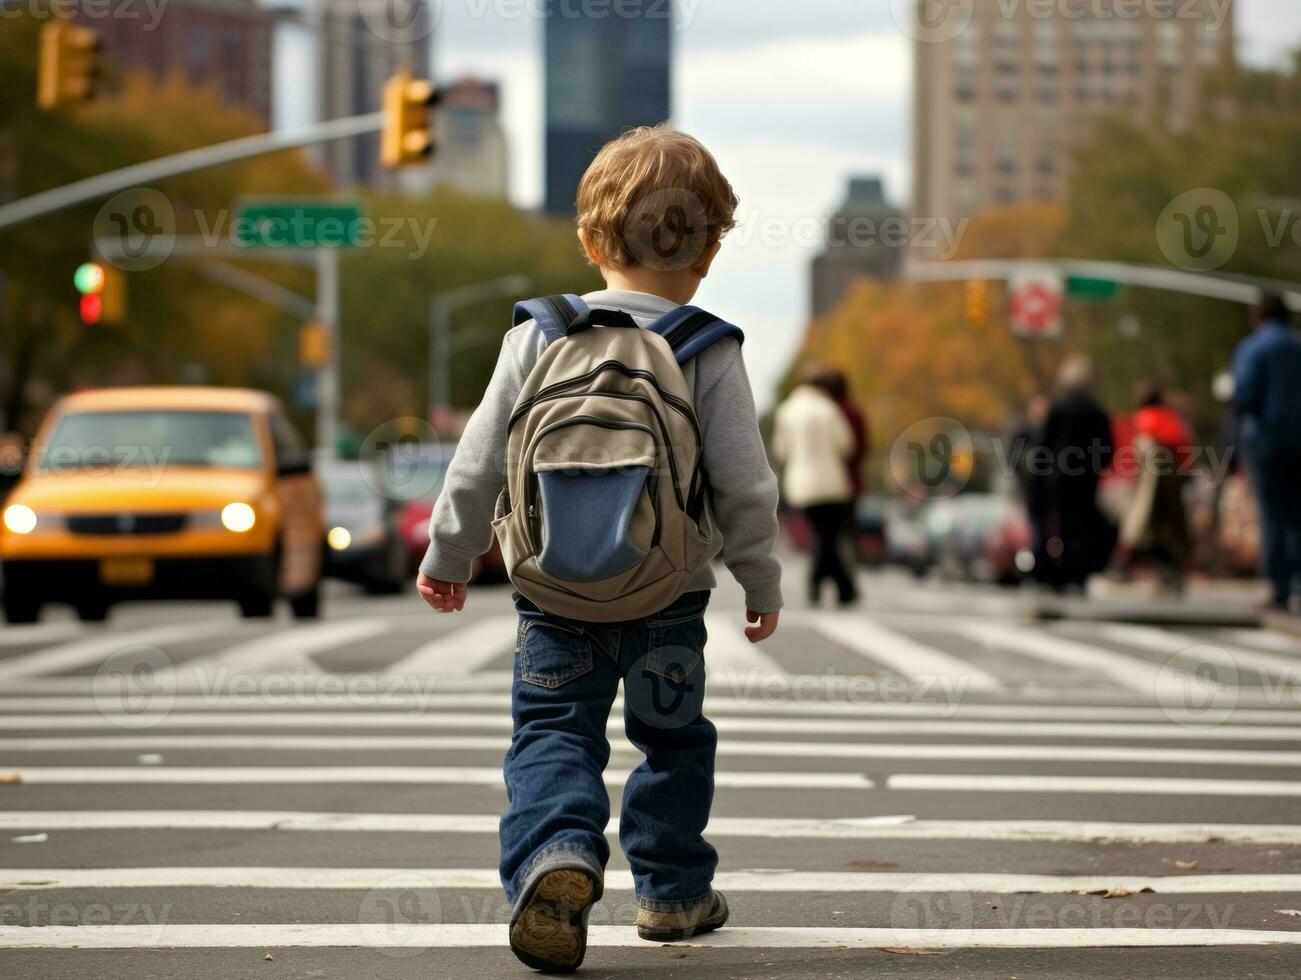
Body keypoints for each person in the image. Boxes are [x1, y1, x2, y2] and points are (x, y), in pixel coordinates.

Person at [416, 125, 783, 972]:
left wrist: (449, 555)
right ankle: (672, 894)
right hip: (670, 599)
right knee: (673, 740)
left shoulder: (536, 335)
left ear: (589, 241)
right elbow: (744, 484)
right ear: (710, 247)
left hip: (552, 599)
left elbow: (477, 462)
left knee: (551, 731)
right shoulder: (707, 346)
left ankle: (556, 856)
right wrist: (757, 577)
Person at [1232, 293, 1301, 613]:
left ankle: (1280, 586)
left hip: (1266, 441)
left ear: (1258, 316)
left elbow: (1244, 395)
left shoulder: (1253, 348)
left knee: (1272, 512)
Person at [1030, 355, 1117, 592]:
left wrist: (1040, 475)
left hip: (1057, 477)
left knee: (1058, 526)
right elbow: (1108, 446)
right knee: (1083, 526)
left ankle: (1056, 572)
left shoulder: (1058, 409)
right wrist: (1096, 468)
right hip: (1086, 478)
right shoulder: (1096, 411)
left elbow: (1043, 446)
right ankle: (1078, 573)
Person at [773, 368, 858, 605]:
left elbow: (781, 450)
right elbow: (846, 444)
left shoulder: (786, 411)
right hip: (832, 483)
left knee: (824, 536)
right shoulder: (829, 409)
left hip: (800, 484)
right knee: (827, 537)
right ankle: (826, 585)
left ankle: (840, 589)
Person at [1116, 383, 1194, 593]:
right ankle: (1170, 574)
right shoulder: (1171, 419)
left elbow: (1143, 459)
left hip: (1153, 488)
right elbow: (1184, 451)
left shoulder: (1145, 420)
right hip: (1174, 484)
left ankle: (1124, 568)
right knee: (1169, 534)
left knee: (1143, 530)